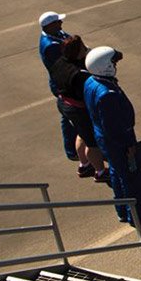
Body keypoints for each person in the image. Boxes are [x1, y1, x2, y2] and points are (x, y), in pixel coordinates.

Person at [84, 46, 141, 227]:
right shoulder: (107, 94)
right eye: (113, 62)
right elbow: (114, 126)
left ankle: (122, 211)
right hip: (119, 142)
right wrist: (129, 145)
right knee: (132, 179)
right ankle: (139, 216)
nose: (115, 65)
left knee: (117, 174)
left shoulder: (90, 82)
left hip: (104, 139)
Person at [49, 36, 108, 182]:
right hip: (78, 109)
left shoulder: (59, 63)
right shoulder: (79, 74)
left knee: (80, 133)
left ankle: (84, 164)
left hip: (64, 104)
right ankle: (100, 172)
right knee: (92, 142)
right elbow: (86, 94)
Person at [38, 11, 78, 161]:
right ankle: (71, 150)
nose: (61, 24)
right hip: (63, 84)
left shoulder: (57, 33)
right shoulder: (50, 46)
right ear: (49, 26)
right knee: (69, 117)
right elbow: (66, 62)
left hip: (67, 81)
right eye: (58, 22)